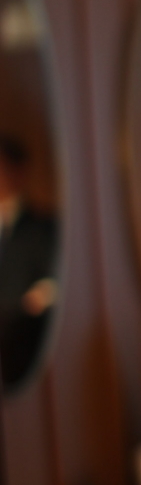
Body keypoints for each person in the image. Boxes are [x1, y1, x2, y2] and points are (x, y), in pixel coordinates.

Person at [0, 135, 57, 389]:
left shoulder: (43, 228)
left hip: (22, 344)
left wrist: (37, 298)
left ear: (18, 172)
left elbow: (55, 284)